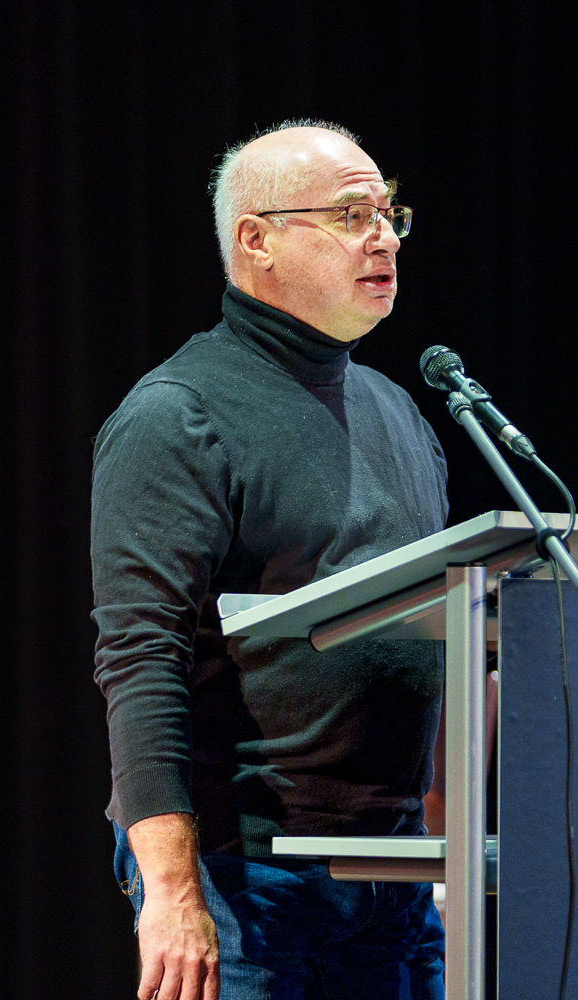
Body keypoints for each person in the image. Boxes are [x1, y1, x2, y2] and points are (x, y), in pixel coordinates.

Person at [91, 120, 449, 1000]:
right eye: (353, 214)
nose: (385, 237)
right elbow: (141, 661)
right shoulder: (177, 414)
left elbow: (435, 634)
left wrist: (440, 847)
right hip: (246, 879)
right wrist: (171, 892)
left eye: (389, 213)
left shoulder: (400, 412)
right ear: (257, 240)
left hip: (395, 884)